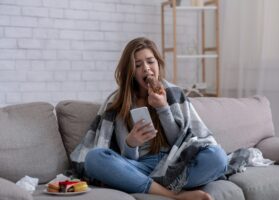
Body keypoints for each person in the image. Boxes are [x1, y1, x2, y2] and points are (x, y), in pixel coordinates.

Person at [72, 37, 227, 200]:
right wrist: (131, 144)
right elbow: (127, 158)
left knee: (217, 157)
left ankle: (143, 185)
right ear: (130, 71)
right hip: (140, 167)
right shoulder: (119, 103)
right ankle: (176, 194)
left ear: (158, 64)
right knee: (94, 158)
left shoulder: (174, 93)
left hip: (175, 164)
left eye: (150, 62)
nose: (146, 69)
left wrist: (163, 108)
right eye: (138, 65)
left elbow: (182, 141)